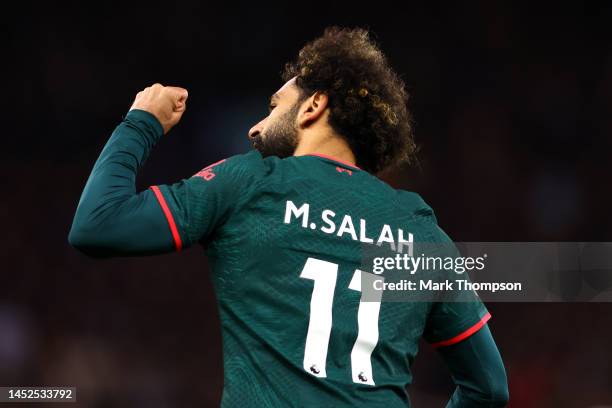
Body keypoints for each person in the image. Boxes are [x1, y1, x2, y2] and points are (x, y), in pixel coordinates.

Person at [69, 27, 509, 407]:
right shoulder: (421, 230)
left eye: (275, 105)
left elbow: (98, 223)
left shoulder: (250, 181)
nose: (254, 128)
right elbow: (489, 388)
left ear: (313, 106)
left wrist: (141, 121)